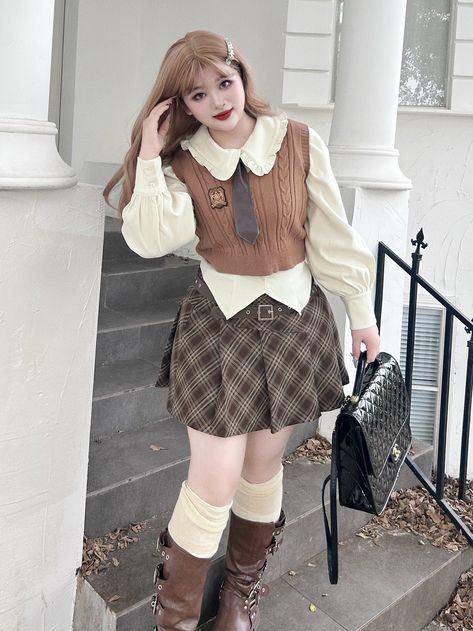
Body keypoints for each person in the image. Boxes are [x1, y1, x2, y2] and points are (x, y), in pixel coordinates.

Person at [104, 29, 380, 631]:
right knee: (216, 477)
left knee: (261, 467)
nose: (217, 101)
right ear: (184, 107)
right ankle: (174, 620)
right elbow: (150, 239)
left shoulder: (300, 143)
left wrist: (362, 312)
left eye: (223, 83)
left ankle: (238, 596)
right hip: (220, 328)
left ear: (243, 77)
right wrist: (150, 158)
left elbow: (332, 236)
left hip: (292, 321)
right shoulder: (184, 163)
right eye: (198, 96)